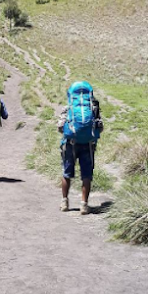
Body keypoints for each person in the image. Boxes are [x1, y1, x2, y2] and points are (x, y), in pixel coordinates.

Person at [57, 81, 103, 214]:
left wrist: (70, 131)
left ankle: (64, 202)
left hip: (70, 143)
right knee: (86, 175)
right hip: (88, 144)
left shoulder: (69, 107)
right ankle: (84, 205)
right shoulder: (93, 108)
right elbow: (100, 127)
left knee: (66, 173)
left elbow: (60, 127)